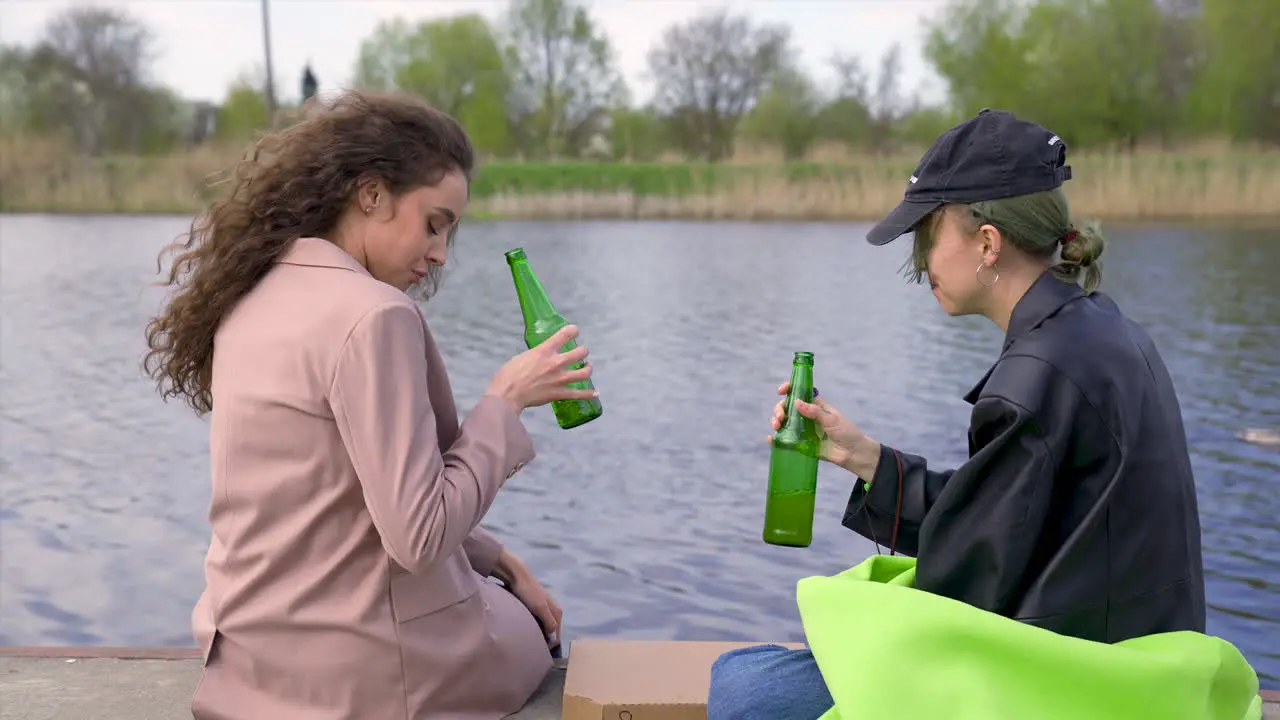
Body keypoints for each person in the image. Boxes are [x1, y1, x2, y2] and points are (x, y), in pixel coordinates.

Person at [708, 109, 1206, 720]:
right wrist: (863, 457)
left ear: (987, 244)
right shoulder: (1103, 330)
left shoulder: (1037, 374)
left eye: (926, 238)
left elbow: (967, 577)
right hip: (1134, 659)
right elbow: (1002, 527)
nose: (920, 265)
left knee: (743, 687)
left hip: (1074, 683)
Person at [142, 90, 597, 720]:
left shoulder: (254, 291)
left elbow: (340, 496)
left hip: (246, 654)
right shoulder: (373, 315)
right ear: (371, 194)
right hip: (363, 672)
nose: (440, 252)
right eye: (434, 223)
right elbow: (420, 535)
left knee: (498, 589)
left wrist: (496, 557)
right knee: (535, 633)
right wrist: (505, 402)